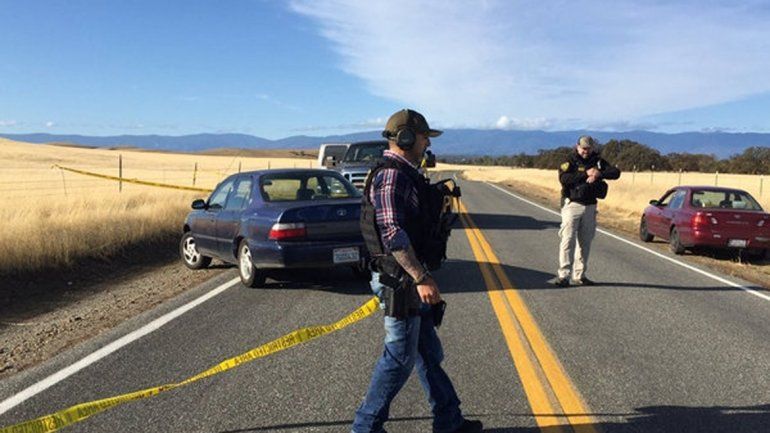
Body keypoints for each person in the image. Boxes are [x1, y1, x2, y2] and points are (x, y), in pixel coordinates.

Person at [352, 109, 482, 433]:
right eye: (424, 137)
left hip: (409, 279)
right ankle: (364, 428)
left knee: (428, 354)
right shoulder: (392, 176)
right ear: (408, 138)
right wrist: (420, 278)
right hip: (401, 282)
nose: (427, 144)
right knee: (399, 359)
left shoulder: (408, 173)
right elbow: (393, 233)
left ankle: (449, 421)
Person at [549, 135, 620, 287]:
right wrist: (585, 174)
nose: (585, 151)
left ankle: (580, 275)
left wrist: (599, 173)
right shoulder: (570, 161)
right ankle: (564, 275)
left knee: (585, 242)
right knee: (567, 240)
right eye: (583, 148)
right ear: (577, 146)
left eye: (588, 148)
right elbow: (564, 179)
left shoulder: (598, 161)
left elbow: (615, 173)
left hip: (590, 206)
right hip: (573, 205)